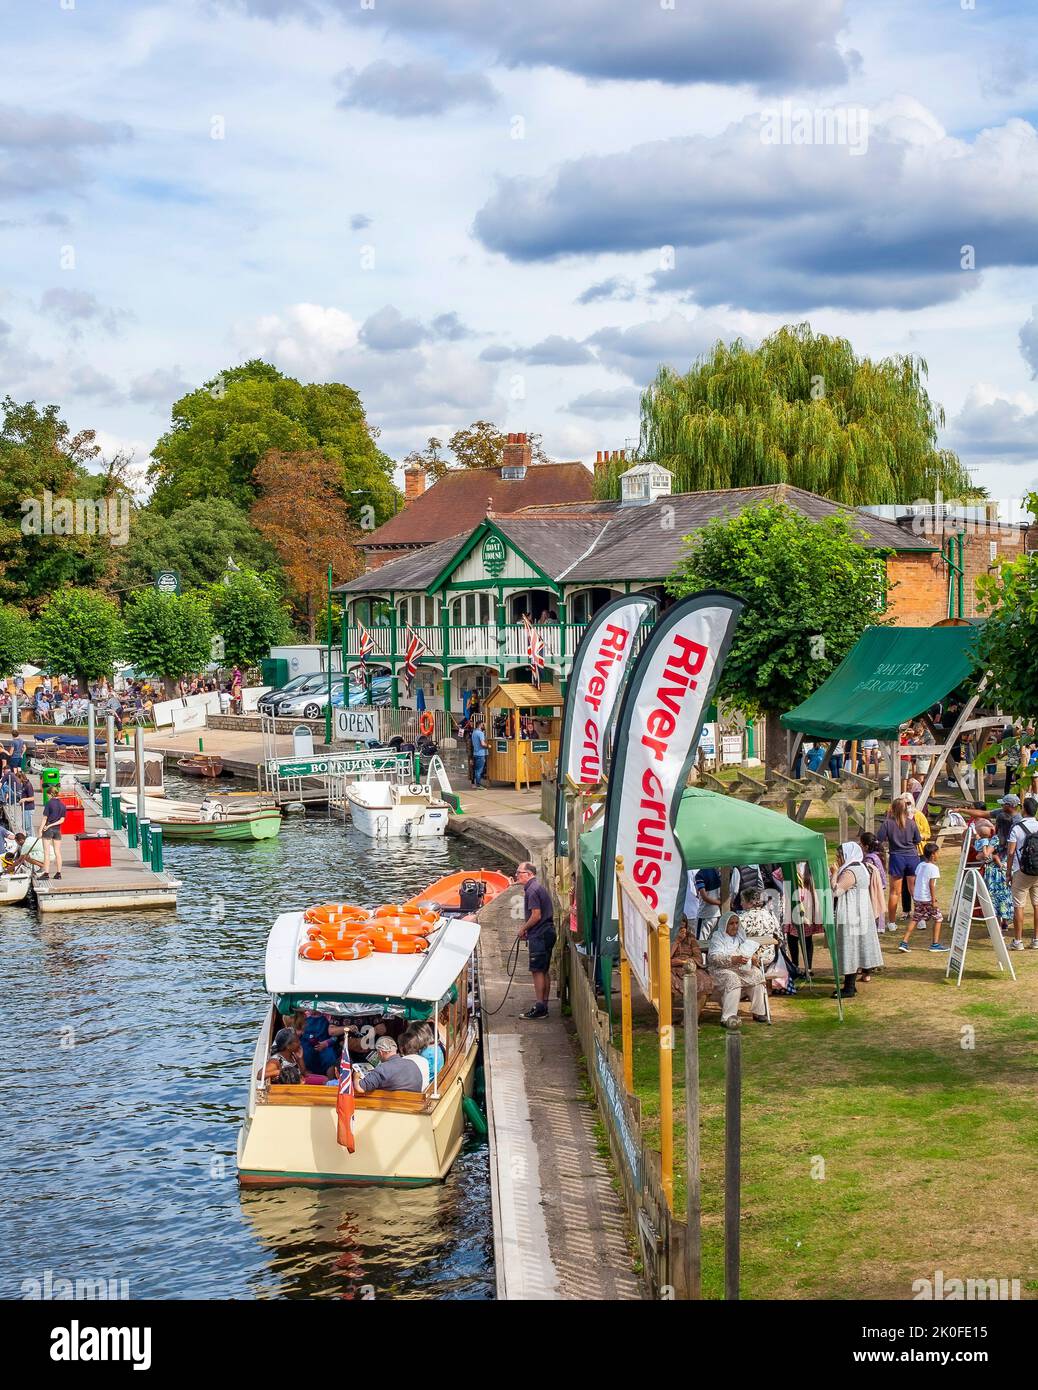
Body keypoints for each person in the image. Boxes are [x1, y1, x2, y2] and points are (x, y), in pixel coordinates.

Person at [831, 842, 884, 993]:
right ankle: (850, 985)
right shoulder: (858, 867)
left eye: (839, 856)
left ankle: (848, 988)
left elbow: (836, 891)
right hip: (858, 912)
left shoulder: (851, 871)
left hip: (852, 913)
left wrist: (834, 873)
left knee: (850, 948)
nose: (838, 859)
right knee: (853, 948)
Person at [706, 913, 768, 1028]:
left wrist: (753, 958)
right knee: (732, 978)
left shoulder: (740, 936)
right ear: (725, 925)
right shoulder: (718, 937)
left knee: (756, 974)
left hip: (739, 968)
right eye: (731, 923)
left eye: (736, 923)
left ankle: (758, 1012)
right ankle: (728, 1017)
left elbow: (748, 949)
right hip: (720, 970)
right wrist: (733, 959)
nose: (734, 926)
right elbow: (713, 958)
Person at [515, 860, 555, 1020]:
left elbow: (536, 915)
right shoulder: (537, 887)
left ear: (529, 874)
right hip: (548, 932)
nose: (516, 875)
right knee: (544, 969)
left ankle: (539, 1006)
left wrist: (524, 928)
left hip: (540, 934)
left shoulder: (531, 890)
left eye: (519, 872)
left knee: (537, 970)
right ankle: (544, 1005)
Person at [877, 796, 921, 926]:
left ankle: (891, 922)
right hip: (912, 857)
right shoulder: (912, 823)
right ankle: (921, 920)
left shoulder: (887, 823)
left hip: (897, 857)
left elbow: (879, 839)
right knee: (914, 890)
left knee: (894, 892)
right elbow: (918, 840)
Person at [899, 840, 945, 952]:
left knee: (915, 918)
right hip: (927, 898)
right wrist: (933, 900)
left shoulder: (920, 865)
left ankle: (904, 942)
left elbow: (918, 879)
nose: (938, 855)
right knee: (939, 918)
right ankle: (935, 944)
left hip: (918, 897)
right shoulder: (934, 868)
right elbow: (931, 885)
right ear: (933, 854)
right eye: (937, 853)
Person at [1006, 795, 1038, 951]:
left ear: (1024, 809)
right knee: (1037, 905)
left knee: (1019, 906)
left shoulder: (1017, 828)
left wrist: (1008, 873)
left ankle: (1018, 941)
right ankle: (1036, 939)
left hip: (1021, 870)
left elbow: (1011, 853)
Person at [971, 819, 1013, 930]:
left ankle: (997, 927)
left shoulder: (995, 839)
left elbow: (986, 855)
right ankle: (1005, 922)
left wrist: (982, 848)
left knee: (994, 899)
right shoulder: (1011, 837)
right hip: (1006, 869)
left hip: (994, 873)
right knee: (1005, 897)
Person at [785, 861, 823, 974]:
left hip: (808, 904)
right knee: (792, 937)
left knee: (807, 938)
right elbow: (776, 875)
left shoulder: (811, 866)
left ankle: (808, 967)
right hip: (793, 902)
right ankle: (795, 965)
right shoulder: (791, 864)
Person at [669, 921, 713, 1017]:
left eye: (683, 927)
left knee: (706, 982)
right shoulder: (666, 936)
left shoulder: (690, 938)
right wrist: (677, 942)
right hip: (671, 968)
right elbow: (664, 958)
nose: (681, 931)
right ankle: (667, 1019)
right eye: (679, 928)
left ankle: (691, 1018)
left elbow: (698, 957)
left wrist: (684, 962)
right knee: (667, 983)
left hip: (689, 966)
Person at [356, 1035, 428, 1093]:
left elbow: (360, 1088)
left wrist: (356, 1076)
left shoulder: (382, 1069)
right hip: (415, 1103)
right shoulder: (412, 1063)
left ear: (381, 1052)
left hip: (393, 1105)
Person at [859, 830, 890, 932]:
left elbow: (868, 874)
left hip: (874, 884)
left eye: (861, 844)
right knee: (880, 902)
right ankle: (880, 926)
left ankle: (876, 925)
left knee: (875, 903)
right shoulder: (879, 854)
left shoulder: (869, 859)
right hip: (880, 883)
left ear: (866, 846)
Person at [300, 1011, 346, 1077]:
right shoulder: (303, 1016)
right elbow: (297, 1031)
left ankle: (330, 1082)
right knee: (304, 1053)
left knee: (330, 1055)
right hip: (307, 1045)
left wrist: (325, 1044)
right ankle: (308, 1079)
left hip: (325, 1045)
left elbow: (335, 1037)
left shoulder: (328, 1016)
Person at [39, 793, 65, 880]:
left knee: (46, 852)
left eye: (48, 794)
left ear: (50, 794)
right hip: (57, 830)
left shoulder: (49, 803)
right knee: (57, 852)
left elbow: (45, 818)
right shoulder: (62, 805)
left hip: (48, 830)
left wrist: (40, 829)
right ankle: (58, 874)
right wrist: (53, 825)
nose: (47, 796)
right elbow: (62, 820)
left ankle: (46, 874)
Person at [470, 721, 487, 789]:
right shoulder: (480, 733)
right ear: (480, 725)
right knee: (479, 770)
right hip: (480, 754)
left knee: (476, 769)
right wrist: (488, 746)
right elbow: (482, 744)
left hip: (475, 753)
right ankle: (478, 785)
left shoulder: (474, 732)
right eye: (483, 725)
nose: (484, 726)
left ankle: (477, 784)